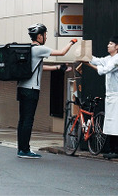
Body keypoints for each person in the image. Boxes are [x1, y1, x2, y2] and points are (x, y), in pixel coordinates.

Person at [17, 23, 77, 159]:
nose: (46, 37)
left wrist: (57, 68)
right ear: (39, 36)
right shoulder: (39, 49)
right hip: (31, 89)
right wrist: (71, 42)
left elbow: (39, 67)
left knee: (23, 120)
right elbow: (61, 52)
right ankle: (25, 150)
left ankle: (21, 148)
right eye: (45, 35)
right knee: (28, 120)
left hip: (22, 88)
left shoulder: (29, 49)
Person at [83, 36, 118, 159]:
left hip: (117, 96)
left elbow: (105, 70)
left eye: (111, 43)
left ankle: (117, 150)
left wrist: (88, 65)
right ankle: (112, 150)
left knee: (116, 124)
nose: (108, 45)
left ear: (117, 46)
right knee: (111, 124)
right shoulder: (109, 58)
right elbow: (98, 60)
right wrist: (85, 54)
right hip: (110, 96)